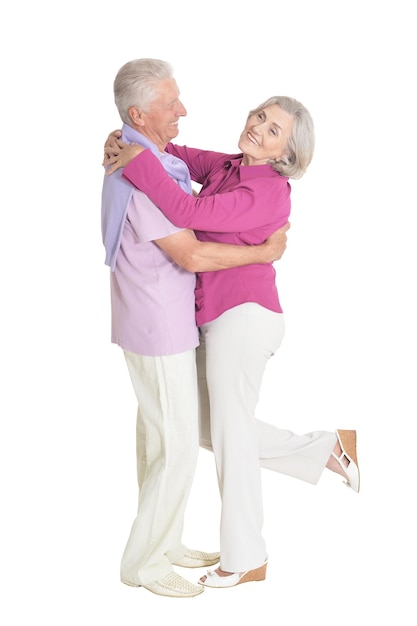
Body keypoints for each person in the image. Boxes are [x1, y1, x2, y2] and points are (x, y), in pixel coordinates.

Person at [103, 85, 360, 590]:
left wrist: (136, 162)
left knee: (228, 435)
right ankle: (327, 448)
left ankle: (246, 557)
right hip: (216, 317)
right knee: (206, 429)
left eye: (272, 131)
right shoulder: (231, 166)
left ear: (286, 154)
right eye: (260, 117)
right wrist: (124, 137)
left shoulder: (267, 190)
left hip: (244, 317)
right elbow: (174, 152)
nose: (257, 129)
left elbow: (190, 214)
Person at [101, 58, 290, 598]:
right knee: (181, 443)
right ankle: (146, 561)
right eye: (171, 102)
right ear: (140, 113)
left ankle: (170, 542)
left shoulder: (150, 159)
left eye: (272, 128)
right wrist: (266, 252)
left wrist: (125, 140)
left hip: (193, 319)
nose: (183, 110)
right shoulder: (153, 171)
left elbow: (176, 176)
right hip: (160, 323)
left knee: (170, 438)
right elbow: (192, 252)